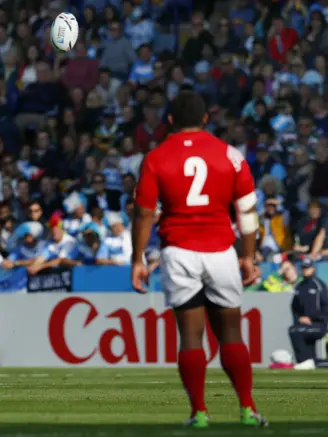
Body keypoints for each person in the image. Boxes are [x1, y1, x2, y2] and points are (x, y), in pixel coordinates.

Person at [131, 90, 267, 428]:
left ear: (171, 122)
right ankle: (248, 409)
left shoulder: (156, 158)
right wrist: (248, 256)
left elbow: (144, 212)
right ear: (206, 119)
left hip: (179, 251)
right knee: (231, 333)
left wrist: (137, 258)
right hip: (221, 250)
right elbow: (247, 211)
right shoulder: (231, 155)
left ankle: (199, 413)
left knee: (190, 336)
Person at [288, 258, 328, 370]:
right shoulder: (299, 287)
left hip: (319, 325)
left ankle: (304, 361)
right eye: (303, 268)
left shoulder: (319, 285)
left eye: (308, 268)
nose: (305, 270)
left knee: (294, 331)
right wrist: (299, 319)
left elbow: (325, 307)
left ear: (313, 269)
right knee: (312, 357)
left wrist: (312, 318)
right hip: (304, 325)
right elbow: (294, 308)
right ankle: (313, 362)